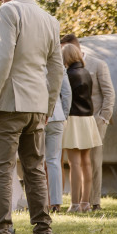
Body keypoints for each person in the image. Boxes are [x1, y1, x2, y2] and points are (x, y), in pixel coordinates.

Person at [0, 0, 64, 234]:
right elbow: (56, 69)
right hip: (37, 106)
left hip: (10, 103)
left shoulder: (7, 11)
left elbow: (2, 57)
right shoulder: (50, 20)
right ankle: (43, 232)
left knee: (2, 170)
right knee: (35, 169)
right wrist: (49, 105)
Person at [60, 34, 115, 211]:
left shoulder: (70, 74)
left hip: (76, 120)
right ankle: (86, 202)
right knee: (87, 163)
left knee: (75, 163)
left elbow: (66, 99)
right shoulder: (85, 72)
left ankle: (75, 203)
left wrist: (104, 118)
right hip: (88, 119)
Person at [46, 73, 72, 213]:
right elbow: (67, 93)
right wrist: (64, 115)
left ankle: (42, 201)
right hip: (57, 116)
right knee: (54, 161)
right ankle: (55, 203)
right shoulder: (58, 64)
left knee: (37, 162)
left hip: (38, 115)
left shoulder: (34, 58)